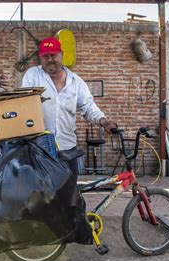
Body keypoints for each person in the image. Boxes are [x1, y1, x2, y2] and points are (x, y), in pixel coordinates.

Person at [22, 37, 116, 177]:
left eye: (53, 55)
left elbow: (88, 106)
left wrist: (103, 121)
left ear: (61, 55)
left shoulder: (75, 82)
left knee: (70, 192)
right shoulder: (32, 75)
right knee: (42, 195)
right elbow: (24, 103)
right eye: (45, 56)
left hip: (67, 148)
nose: (49, 60)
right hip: (39, 148)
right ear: (40, 58)